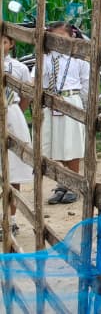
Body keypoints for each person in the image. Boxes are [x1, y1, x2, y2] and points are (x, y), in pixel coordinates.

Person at [42, 23, 90, 205]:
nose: (58, 40)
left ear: (72, 37)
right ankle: (63, 181)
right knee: (55, 144)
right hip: (52, 102)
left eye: (62, 36)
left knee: (72, 144)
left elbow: (86, 84)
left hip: (71, 101)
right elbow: (38, 78)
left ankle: (74, 184)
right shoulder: (46, 58)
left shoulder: (78, 59)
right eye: (54, 37)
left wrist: (83, 105)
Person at [2, 34, 33, 227]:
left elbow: (26, 94)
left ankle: (11, 219)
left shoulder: (20, 68)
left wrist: (16, 112)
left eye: (3, 42)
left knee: (13, 168)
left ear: (12, 44)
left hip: (12, 113)